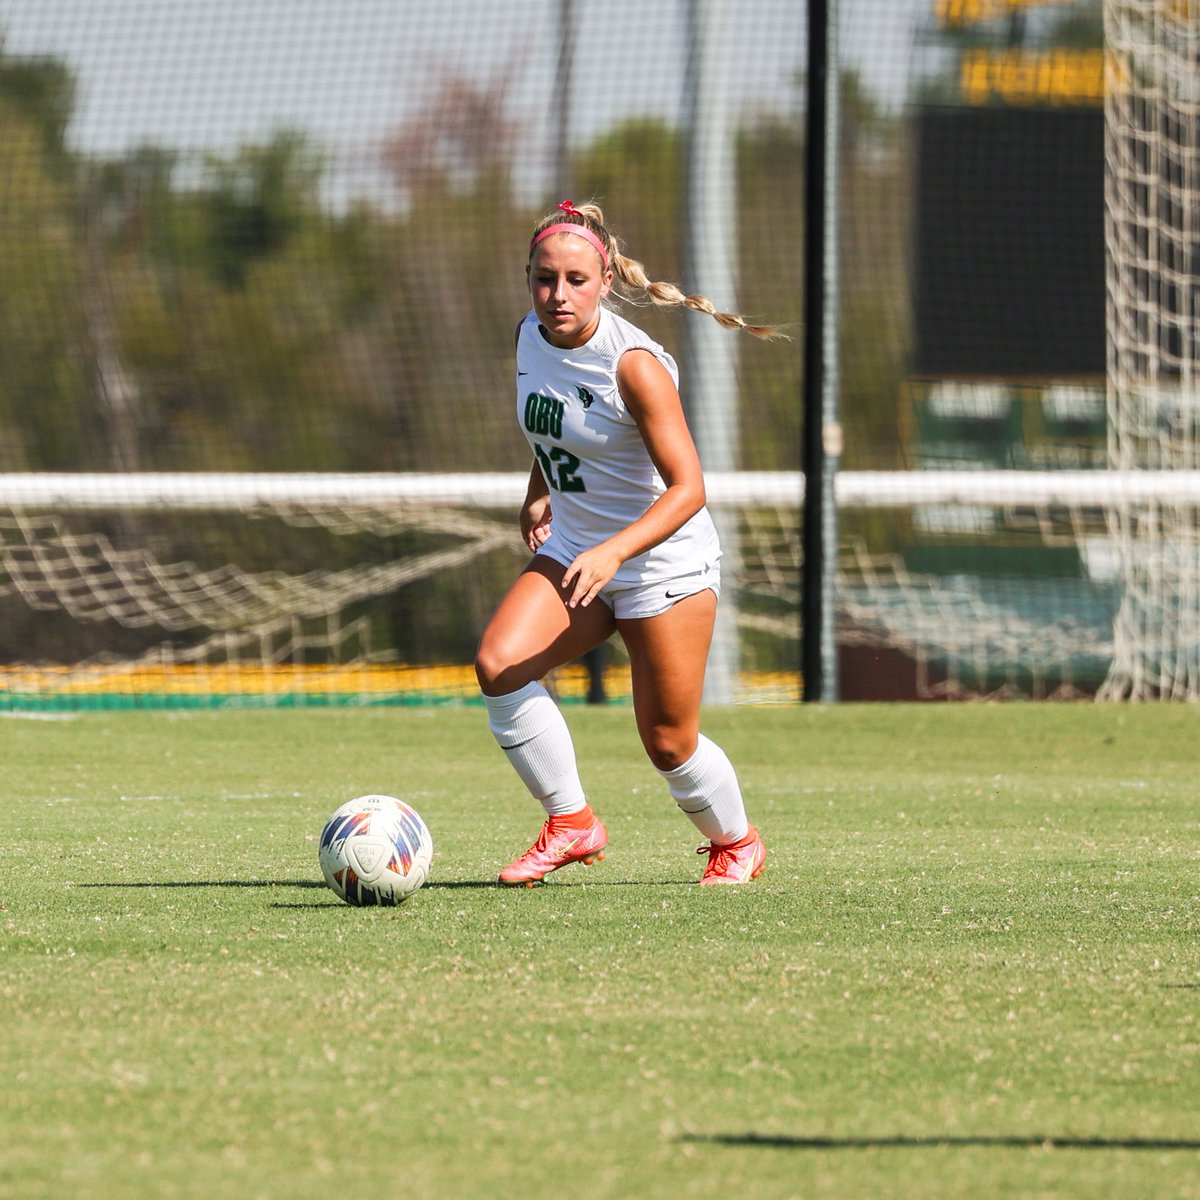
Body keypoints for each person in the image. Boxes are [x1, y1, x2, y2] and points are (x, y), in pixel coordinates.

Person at [474, 200, 780, 887]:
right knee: (499, 664)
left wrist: (616, 552)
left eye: (576, 280)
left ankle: (737, 843)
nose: (558, 295)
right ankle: (572, 822)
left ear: (606, 280)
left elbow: (688, 487)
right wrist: (541, 485)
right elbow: (555, 423)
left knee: (669, 743)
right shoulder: (529, 335)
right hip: (579, 546)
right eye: (545, 279)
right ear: (528, 277)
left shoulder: (633, 364)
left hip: (661, 562)